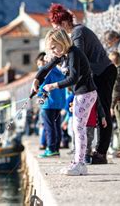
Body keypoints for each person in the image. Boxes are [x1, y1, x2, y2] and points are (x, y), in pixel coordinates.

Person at [49, 4, 116, 164]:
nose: (57, 33)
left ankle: (101, 153)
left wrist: (58, 64)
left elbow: (77, 62)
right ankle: (93, 150)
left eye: (57, 28)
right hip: (96, 74)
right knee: (97, 112)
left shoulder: (77, 33)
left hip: (104, 72)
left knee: (104, 112)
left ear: (64, 24)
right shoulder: (74, 34)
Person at [31, 29, 98, 176]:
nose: (53, 51)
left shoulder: (74, 53)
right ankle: (77, 161)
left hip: (86, 92)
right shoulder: (61, 55)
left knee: (78, 128)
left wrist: (52, 86)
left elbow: (73, 78)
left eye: (54, 47)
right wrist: (36, 79)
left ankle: (80, 164)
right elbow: (45, 68)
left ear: (62, 42)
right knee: (76, 127)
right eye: (50, 48)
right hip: (79, 94)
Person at [35, 52, 67, 158]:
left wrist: (38, 96)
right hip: (59, 103)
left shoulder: (47, 72)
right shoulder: (59, 71)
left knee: (49, 127)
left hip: (48, 104)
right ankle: (56, 149)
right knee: (56, 126)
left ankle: (50, 149)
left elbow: (42, 87)